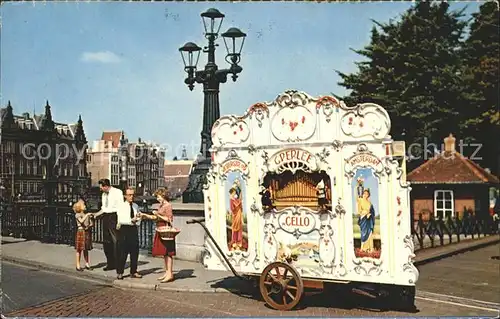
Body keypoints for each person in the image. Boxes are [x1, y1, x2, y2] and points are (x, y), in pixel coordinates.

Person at [141, 188, 176, 283]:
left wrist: (158, 215)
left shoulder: (168, 205)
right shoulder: (162, 205)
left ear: (163, 196)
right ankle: (167, 272)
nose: (157, 199)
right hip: (160, 228)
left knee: (168, 252)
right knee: (165, 253)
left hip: (165, 230)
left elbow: (169, 219)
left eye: (158, 197)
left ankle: (170, 273)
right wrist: (145, 215)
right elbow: (156, 217)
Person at [93, 178, 124, 271]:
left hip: (114, 216)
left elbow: (120, 207)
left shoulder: (117, 192)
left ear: (106, 186)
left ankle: (119, 264)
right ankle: (110, 263)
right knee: (106, 242)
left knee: (116, 241)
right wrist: (96, 214)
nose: (100, 189)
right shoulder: (104, 195)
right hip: (106, 217)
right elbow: (104, 208)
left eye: (101, 187)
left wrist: (119, 221)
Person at [116, 187, 143, 280]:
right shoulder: (121, 206)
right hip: (124, 230)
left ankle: (133, 271)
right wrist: (132, 220)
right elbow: (121, 220)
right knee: (123, 252)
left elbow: (138, 218)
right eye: (129, 195)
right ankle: (120, 272)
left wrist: (138, 219)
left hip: (133, 229)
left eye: (133, 195)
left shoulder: (135, 206)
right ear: (125, 196)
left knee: (135, 252)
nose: (131, 197)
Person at [73, 199, 93, 271]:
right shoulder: (77, 215)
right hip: (81, 231)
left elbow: (91, 223)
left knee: (86, 248)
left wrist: (90, 221)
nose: (85, 206)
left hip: (86, 231)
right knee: (79, 249)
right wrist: (87, 215)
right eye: (83, 205)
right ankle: (78, 265)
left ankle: (87, 263)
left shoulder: (85, 215)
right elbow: (81, 221)